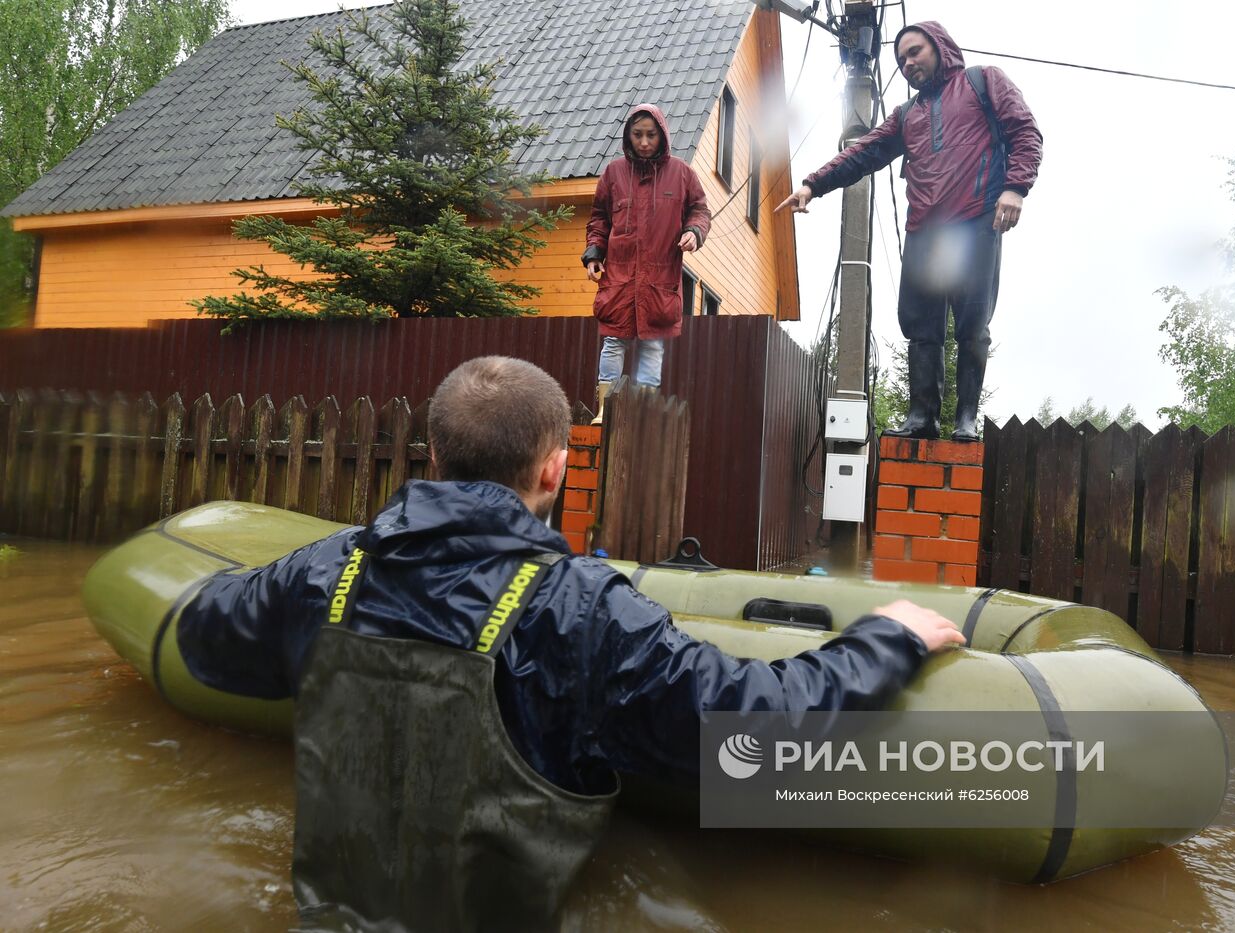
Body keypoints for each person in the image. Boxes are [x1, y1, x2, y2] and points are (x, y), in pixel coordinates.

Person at [174, 355, 966, 931]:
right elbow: (756, 729)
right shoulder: (585, 613)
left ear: (435, 457)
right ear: (554, 470)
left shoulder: (324, 572)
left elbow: (202, 635)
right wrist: (885, 638)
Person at [778, 21, 1043, 442]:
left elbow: (1025, 130)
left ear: (939, 47)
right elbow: (863, 153)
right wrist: (813, 184)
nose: (908, 63)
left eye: (915, 52)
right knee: (921, 326)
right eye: (901, 58)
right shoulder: (907, 115)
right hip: (925, 231)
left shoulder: (982, 82)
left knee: (973, 322)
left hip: (976, 220)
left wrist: (1015, 187)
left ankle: (967, 419)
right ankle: (922, 418)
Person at [582, 104, 711, 423]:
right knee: (613, 342)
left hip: (660, 279)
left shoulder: (682, 174)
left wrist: (694, 232)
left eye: (650, 135)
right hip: (620, 279)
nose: (643, 141)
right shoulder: (613, 173)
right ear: (628, 136)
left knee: (653, 346)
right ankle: (606, 411)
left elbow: (700, 211)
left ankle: (641, 414)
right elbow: (599, 218)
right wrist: (594, 253)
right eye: (637, 135)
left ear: (662, 136)